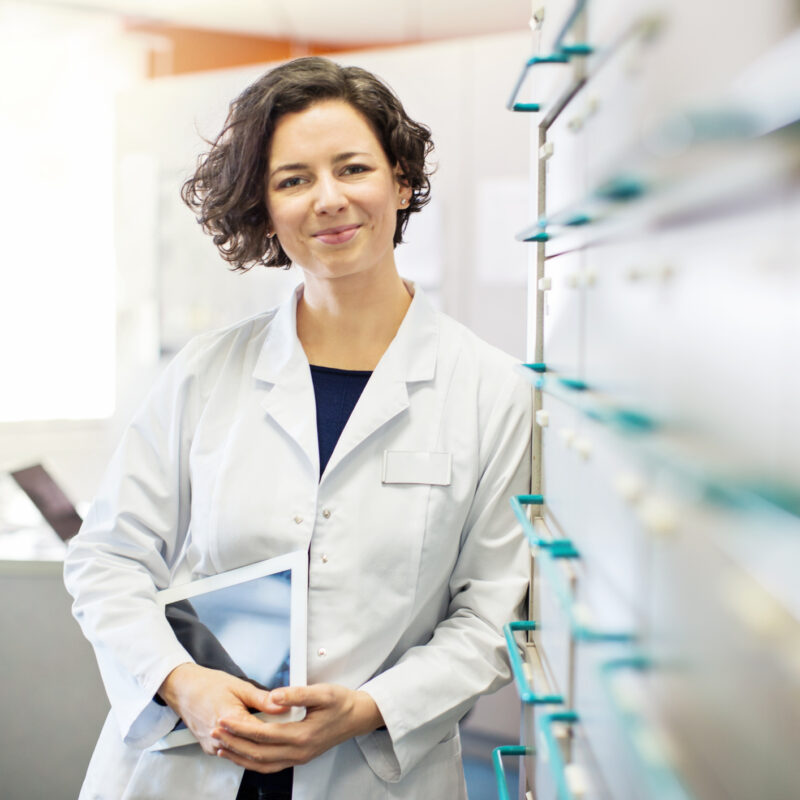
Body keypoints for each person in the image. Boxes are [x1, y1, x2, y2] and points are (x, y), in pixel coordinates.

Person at [64, 56, 531, 800]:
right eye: (292, 180)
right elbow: (108, 559)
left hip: (372, 769)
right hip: (187, 761)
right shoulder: (205, 372)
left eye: (353, 168)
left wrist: (368, 709)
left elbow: (489, 615)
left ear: (401, 182)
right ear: (266, 208)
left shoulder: (491, 390)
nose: (328, 200)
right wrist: (183, 684)